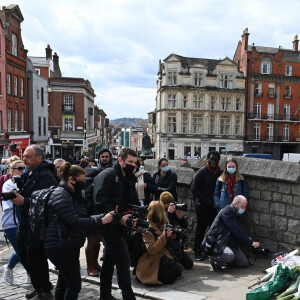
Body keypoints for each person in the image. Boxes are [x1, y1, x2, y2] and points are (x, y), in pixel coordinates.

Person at [44, 162, 113, 299]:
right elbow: (74, 221)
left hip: (68, 244)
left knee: (64, 282)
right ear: (71, 179)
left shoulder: (73, 195)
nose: (83, 184)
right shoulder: (61, 195)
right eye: (81, 181)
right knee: (74, 284)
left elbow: (82, 217)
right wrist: (101, 220)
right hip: (61, 245)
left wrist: (101, 217)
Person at [11, 145, 59, 300]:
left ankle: (44, 290)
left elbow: (49, 201)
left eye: (28, 156)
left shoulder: (46, 175)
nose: (24, 159)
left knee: (36, 258)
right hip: (25, 221)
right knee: (24, 255)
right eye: (23, 156)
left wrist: (24, 201)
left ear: (39, 158)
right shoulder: (27, 172)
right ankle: (40, 286)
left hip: (38, 224)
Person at [93, 147, 139, 300]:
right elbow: (100, 203)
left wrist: (134, 216)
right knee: (123, 260)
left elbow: (130, 202)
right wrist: (120, 218)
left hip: (120, 225)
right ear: (120, 161)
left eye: (135, 162)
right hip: (108, 225)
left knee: (108, 261)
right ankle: (128, 296)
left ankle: (104, 295)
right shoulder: (107, 176)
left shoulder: (129, 178)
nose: (133, 165)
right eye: (129, 162)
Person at [202, 195, 260, 271]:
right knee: (229, 255)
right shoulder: (227, 212)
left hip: (232, 243)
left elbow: (238, 230)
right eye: (242, 207)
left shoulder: (237, 213)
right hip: (220, 242)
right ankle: (214, 259)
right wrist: (251, 242)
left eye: (245, 207)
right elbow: (236, 229)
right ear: (235, 204)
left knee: (243, 263)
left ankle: (226, 260)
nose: (244, 209)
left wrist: (246, 238)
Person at [136, 201, 184, 285]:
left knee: (178, 272)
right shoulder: (147, 229)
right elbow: (152, 250)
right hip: (151, 261)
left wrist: (169, 237)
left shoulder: (160, 224)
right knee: (171, 277)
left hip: (161, 256)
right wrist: (164, 236)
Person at [1, 156, 29, 284]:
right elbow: (17, 200)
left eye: (24, 168)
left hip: (24, 221)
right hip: (11, 222)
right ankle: (8, 267)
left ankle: (30, 275)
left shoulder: (27, 180)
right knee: (20, 251)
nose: (22, 171)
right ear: (11, 170)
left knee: (29, 249)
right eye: (19, 168)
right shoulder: (8, 184)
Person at [191, 151, 222, 260]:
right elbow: (194, 189)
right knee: (201, 228)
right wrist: (205, 200)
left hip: (214, 206)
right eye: (211, 159)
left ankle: (208, 249)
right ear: (208, 159)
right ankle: (197, 250)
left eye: (215, 159)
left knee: (212, 229)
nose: (213, 161)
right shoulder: (202, 172)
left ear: (218, 160)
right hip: (202, 205)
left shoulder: (220, 173)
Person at [159, 191, 193, 269]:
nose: (170, 206)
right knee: (175, 265)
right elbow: (164, 227)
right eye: (168, 204)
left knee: (189, 264)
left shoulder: (172, 210)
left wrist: (180, 217)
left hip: (173, 241)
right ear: (164, 204)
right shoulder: (158, 211)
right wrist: (169, 214)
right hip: (163, 242)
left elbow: (185, 225)